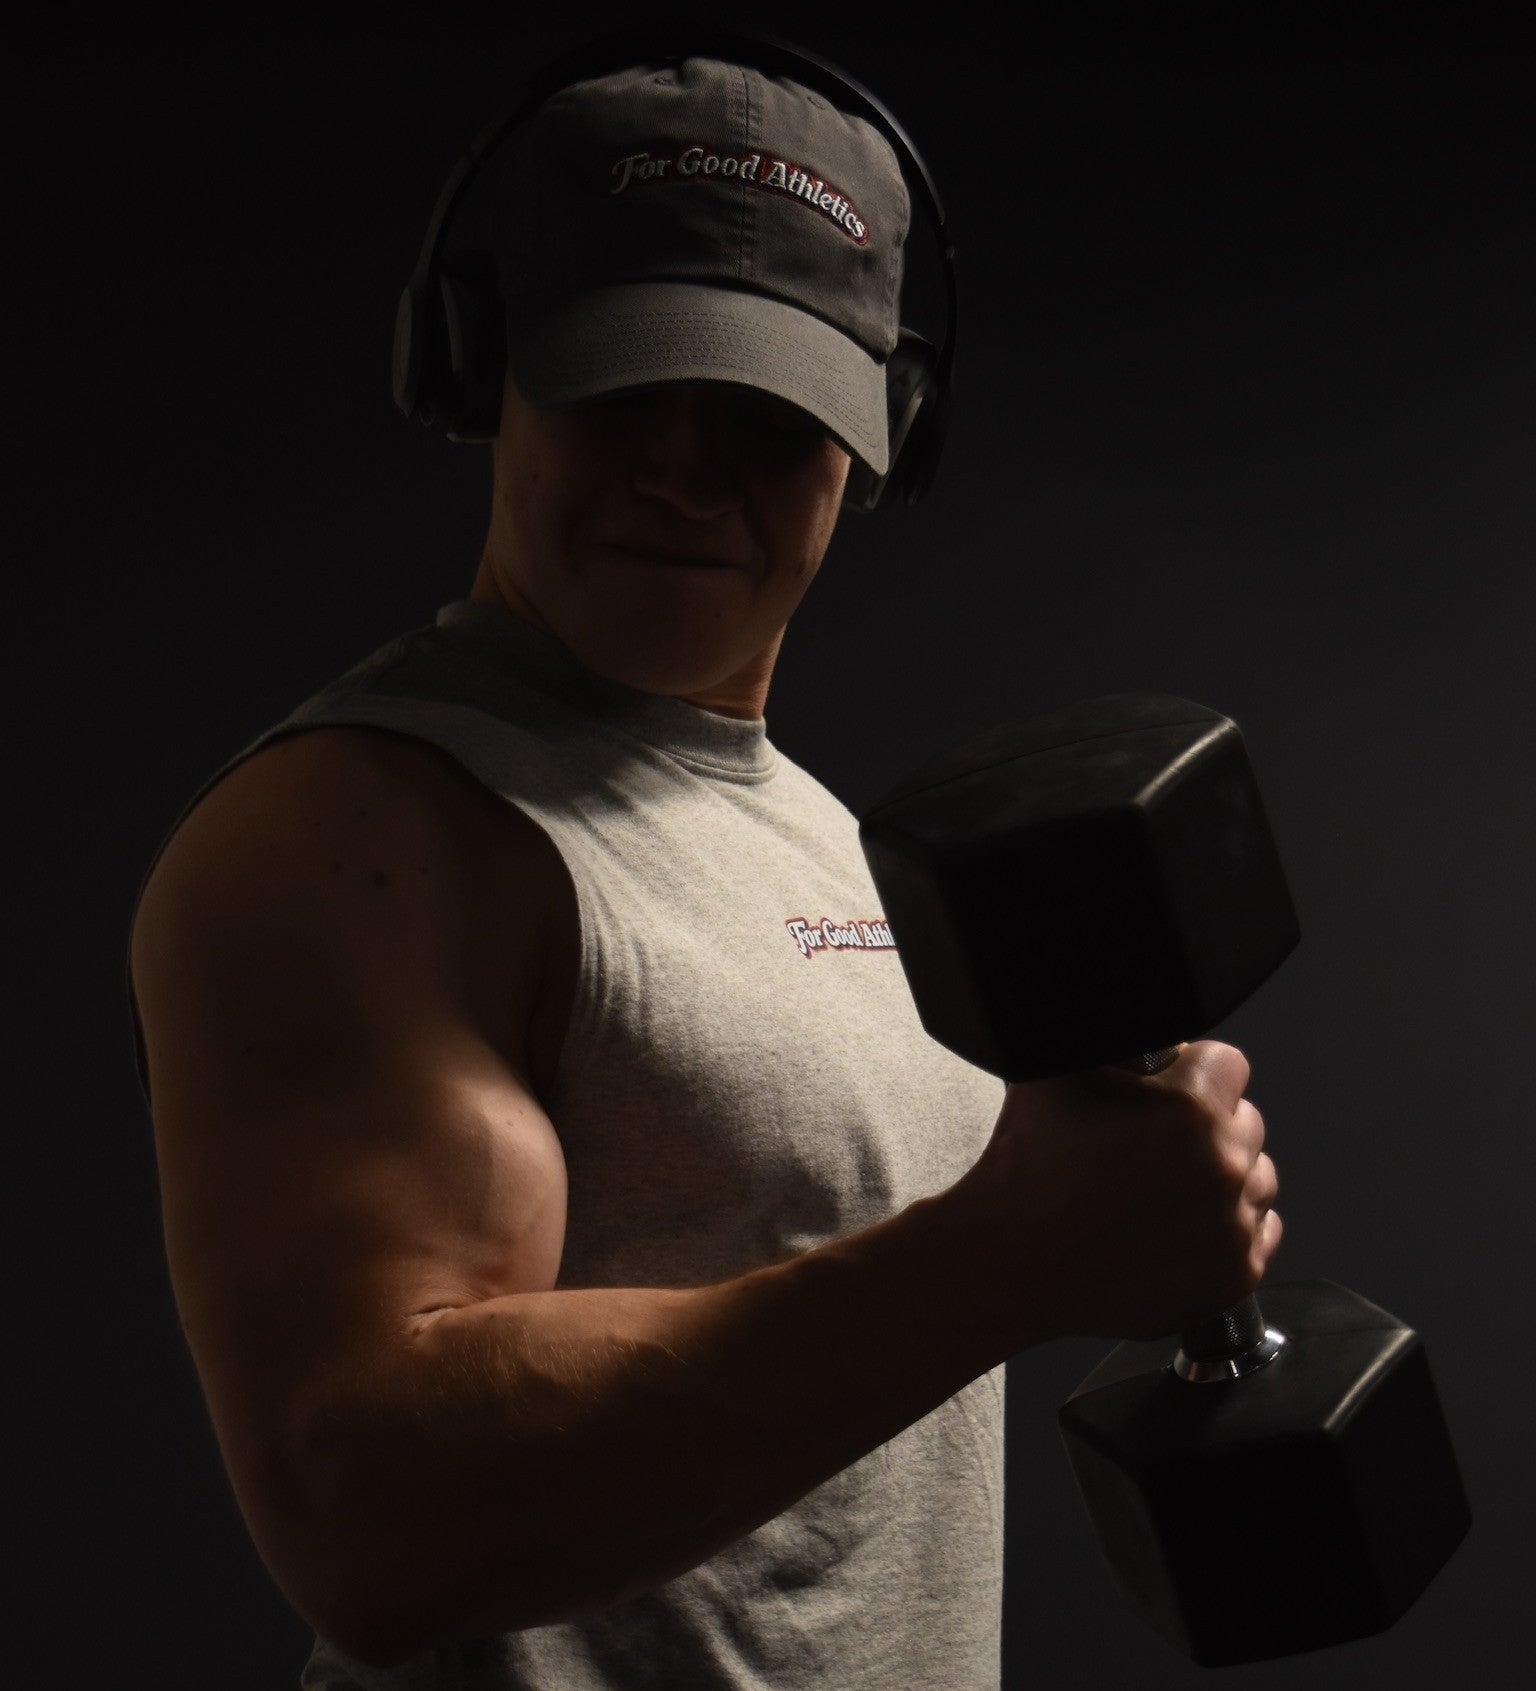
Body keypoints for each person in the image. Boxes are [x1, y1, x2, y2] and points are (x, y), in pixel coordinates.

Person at [124, 47, 1281, 1691]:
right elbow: (374, 1508)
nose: (681, 459)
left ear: (886, 441)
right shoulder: (368, 827)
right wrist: (1013, 1254)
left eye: (756, 406)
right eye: (623, 378)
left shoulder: (833, 843)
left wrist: (1135, 1200)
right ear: (483, 368)